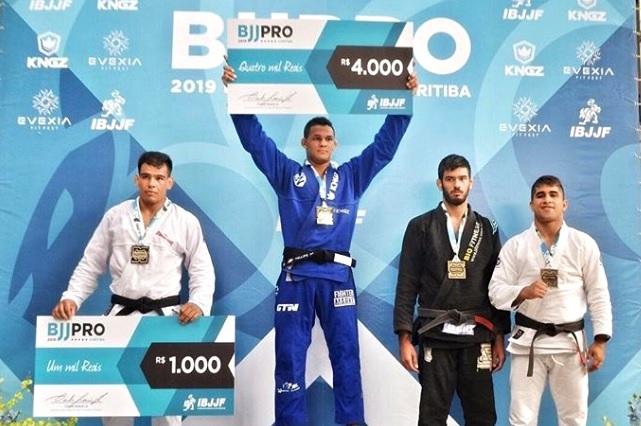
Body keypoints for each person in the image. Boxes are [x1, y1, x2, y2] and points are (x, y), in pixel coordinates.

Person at [221, 62, 417, 425]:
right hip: (296, 277)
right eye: (316, 138)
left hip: (337, 278)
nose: (322, 143)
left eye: (328, 138)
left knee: (346, 355)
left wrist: (403, 104)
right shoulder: (287, 174)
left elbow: (384, 148)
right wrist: (237, 96)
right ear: (305, 143)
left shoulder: (351, 176)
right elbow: (256, 143)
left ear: (335, 144)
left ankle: (352, 422)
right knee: (289, 356)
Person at [52, 151, 216, 426]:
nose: (152, 183)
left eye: (159, 178)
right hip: (121, 314)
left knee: (166, 406)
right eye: (146, 177)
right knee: (114, 401)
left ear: (170, 182)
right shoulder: (115, 217)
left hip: (166, 318)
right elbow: (91, 263)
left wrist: (198, 302)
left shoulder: (185, 221)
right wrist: (72, 297)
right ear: (136, 179)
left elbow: (202, 269)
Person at [393, 154, 511, 426]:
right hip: (435, 334)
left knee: (482, 416)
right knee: (432, 417)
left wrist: (499, 336)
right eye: (450, 179)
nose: (456, 185)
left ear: (471, 182)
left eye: (461, 179)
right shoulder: (420, 226)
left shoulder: (486, 227)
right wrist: (404, 337)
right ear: (440, 183)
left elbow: (497, 285)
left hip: (478, 334)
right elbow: (407, 284)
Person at [488, 175, 612, 426]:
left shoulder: (583, 244)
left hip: (570, 344)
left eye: (553, 195)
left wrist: (600, 340)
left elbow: (598, 293)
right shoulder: (515, 246)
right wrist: (523, 291)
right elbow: (495, 291)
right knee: (521, 419)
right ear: (531, 204)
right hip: (527, 343)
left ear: (564, 203)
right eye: (540, 195)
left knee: (574, 418)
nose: (547, 200)